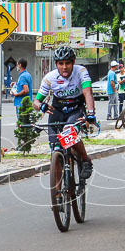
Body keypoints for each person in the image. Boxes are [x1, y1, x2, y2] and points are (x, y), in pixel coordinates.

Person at [33, 46, 97, 179]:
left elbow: (88, 93)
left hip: (76, 108)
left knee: (69, 133)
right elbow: (36, 102)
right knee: (55, 147)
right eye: (61, 64)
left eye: (68, 63)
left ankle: (86, 160)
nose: (64, 67)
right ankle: (57, 188)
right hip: (57, 110)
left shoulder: (81, 71)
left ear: (73, 62)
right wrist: (42, 106)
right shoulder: (50, 77)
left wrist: (90, 113)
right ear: (56, 64)